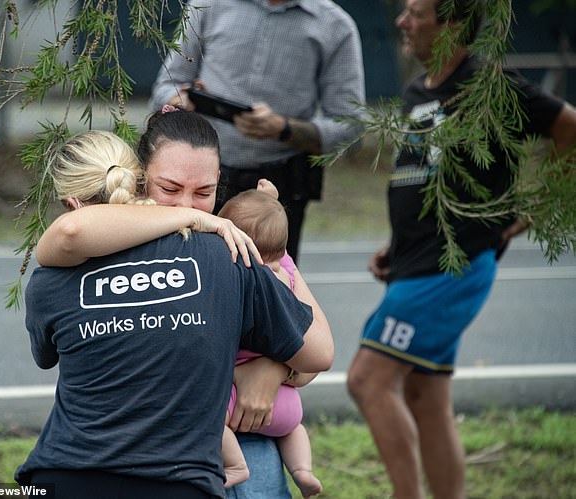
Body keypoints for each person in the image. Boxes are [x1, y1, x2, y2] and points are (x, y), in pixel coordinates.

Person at [15, 129, 334, 499]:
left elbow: (313, 354)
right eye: (170, 189)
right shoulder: (223, 254)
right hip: (179, 479)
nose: (188, 206)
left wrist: (273, 366)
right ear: (141, 181)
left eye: (203, 193)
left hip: (61, 474)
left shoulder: (50, 280)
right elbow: (317, 350)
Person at [346, 1, 576, 499]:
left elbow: (569, 128)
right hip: (415, 260)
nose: (403, 23)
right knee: (425, 396)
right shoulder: (416, 90)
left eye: (416, 13)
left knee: (367, 380)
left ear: (452, 25)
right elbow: (424, 178)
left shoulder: (490, 85)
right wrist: (398, 242)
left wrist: (536, 208)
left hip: (452, 267)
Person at [150, 0, 366, 263]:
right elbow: (163, 90)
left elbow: (352, 129)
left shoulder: (334, 25)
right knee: (185, 273)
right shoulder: (207, 4)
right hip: (198, 178)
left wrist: (284, 129)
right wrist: (181, 100)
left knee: (269, 285)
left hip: (281, 183)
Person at [218, 180, 322, 498]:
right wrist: (267, 202)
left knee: (209, 419)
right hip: (286, 403)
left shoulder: (238, 276)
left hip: (235, 400)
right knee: (293, 429)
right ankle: (303, 470)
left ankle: (235, 465)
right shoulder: (286, 274)